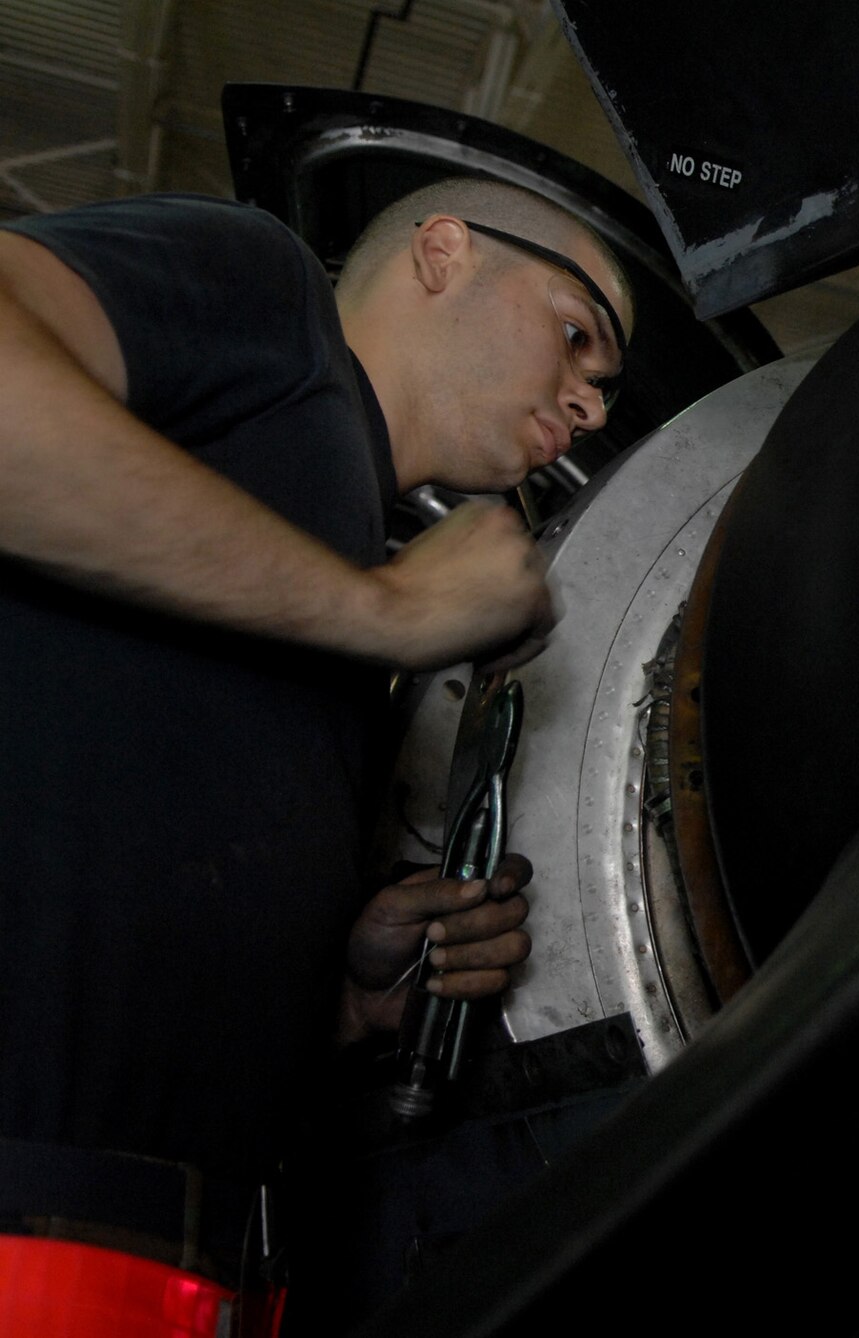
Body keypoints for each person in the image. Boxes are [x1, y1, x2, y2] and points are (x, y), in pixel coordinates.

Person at [0, 176, 635, 1332]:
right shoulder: (264, 291)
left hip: (193, 1270)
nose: (589, 405)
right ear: (442, 252)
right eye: (575, 334)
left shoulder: (343, 577)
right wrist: (377, 609)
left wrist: (336, 995)